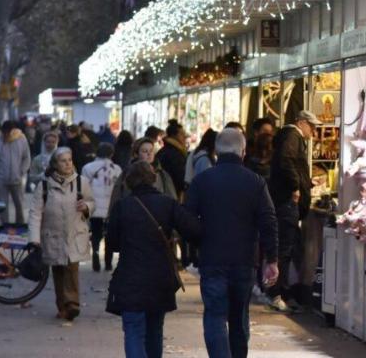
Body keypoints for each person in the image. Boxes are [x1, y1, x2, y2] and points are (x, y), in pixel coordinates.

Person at [185, 128, 279, 358]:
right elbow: (268, 221)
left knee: (215, 315)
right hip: (244, 260)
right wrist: (272, 259)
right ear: (243, 152)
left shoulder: (202, 181)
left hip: (212, 258)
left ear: (216, 151)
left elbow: (187, 220)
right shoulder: (255, 182)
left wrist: (199, 242)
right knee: (239, 316)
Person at [106, 161, 199, 358]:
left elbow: (113, 244)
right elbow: (193, 231)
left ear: (129, 183)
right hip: (160, 278)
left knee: (133, 331)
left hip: (130, 277)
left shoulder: (122, 207)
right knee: (155, 331)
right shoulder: (168, 204)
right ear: (154, 179)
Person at [28, 147, 95, 321]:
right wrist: (34, 240)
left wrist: (87, 207)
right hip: (53, 236)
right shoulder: (44, 185)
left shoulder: (81, 182)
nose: (67, 163)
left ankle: (72, 304)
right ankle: (62, 306)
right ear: (55, 164)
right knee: (58, 271)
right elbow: (35, 213)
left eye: (70, 160)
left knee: (72, 268)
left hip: (74, 234)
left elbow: (92, 201)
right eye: (63, 160)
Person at [267, 110, 321, 311]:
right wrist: (296, 187)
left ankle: (281, 291)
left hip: (286, 201)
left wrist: (307, 183)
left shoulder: (289, 137)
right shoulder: (292, 136)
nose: (313, 131)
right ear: (301, 122)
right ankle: (277, 293)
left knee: (287, 248)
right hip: (288, 202)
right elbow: (287, 162)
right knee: (285, 249)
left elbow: (290, 165)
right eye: (311, 126)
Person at [82, 143, 122, 272]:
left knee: (96, 234)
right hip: (112, 207)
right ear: (111, 154)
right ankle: (108, 262)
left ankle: (95, 253)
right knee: (110, 235)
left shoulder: (88, 168)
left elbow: (84, 188)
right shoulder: (117, 169)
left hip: (95, 207)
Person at [109, 138, 177, 213]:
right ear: (136, 154)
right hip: (132, 217)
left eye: (151, 151)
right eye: (145, 151)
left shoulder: (162, 175)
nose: (149, 154)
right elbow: (116, 199)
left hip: (156, 218)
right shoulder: (126, 174)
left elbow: (172, 200)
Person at [0, 120, 31, 224]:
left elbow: (27, 158)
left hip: (17, 179)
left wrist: (22, 171)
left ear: (13, 131)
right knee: (2, 205)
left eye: (8, 132)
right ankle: (4, 226)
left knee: (19, 204)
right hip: (2, 179)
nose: (6, 135)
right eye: (4, 132)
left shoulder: (22, 140)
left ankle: (20, 225)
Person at [156, 122, 188, 199]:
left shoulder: (163, 151)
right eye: (181, 134)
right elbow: (180, 179)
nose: (185, 137)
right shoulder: (174, 154)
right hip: (171, 195)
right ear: (174, 136)